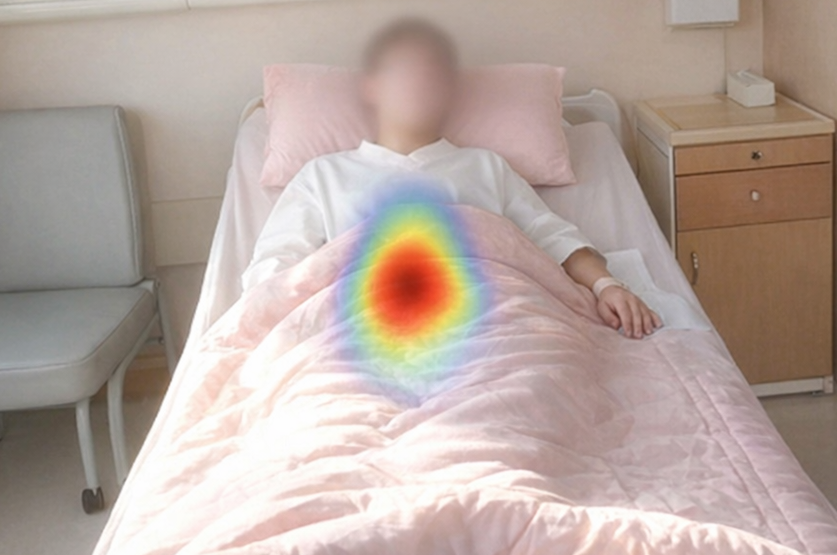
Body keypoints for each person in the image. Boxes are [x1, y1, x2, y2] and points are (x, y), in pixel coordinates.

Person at [246, 17, 662, 339]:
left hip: (495, 323)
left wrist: (607, 286)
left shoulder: (485, 167)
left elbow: (550, 237)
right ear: (371, 87)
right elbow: (278, 266)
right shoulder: (324, 175)